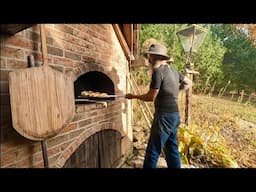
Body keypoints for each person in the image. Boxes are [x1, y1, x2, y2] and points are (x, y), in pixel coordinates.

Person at [125, 43, 192, 168]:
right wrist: (177, 90)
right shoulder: (174, 71)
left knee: (153, 151)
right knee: (172, 149)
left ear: (154, 57)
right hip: (174, 116)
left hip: (164, 117)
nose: (148, 60)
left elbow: (151, 97)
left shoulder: (158, 72)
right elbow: (188, 82)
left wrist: (133, 96)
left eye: (149, 57)